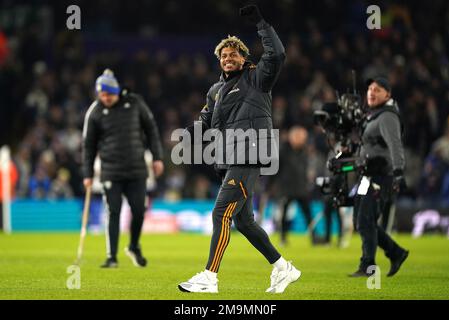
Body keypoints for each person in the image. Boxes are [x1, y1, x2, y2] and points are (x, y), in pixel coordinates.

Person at [178, 5, 301, 294]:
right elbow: (205, 121)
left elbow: (278, 55)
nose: (228, 58)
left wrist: (261, 23)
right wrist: (188, 135)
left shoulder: (257, 78)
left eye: (233, 54)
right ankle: (283, 268)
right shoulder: (215, 91)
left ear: (244, 58)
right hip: (228, 158)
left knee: (220, 214)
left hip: (249, 155)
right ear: (219, 61)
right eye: (223, 55)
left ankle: (210, 277)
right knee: (244, 222)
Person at [82, 69, 164, 268]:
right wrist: (88, 174)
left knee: (139, 211)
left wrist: (157, 157)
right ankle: (111, 257)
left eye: (108, 94)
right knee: (113, 212)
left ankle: (134, 246)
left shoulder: (135, 103)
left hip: (136, 168)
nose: (105, 98)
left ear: (116, 91)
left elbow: (151, 130)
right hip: (110, 170)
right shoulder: (95, 111)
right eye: (101, 95)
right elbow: (88, 145)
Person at [350, 76, 409, 277]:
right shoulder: (375, 115)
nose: (371, 92)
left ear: (388, 94)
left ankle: (368, 266)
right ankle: (396, 252)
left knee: (366, 220)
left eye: (377, 89)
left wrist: (399, 172)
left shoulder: (387, 116)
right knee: (362, 221)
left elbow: (395, 145)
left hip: (381, 176)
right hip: (368, 176)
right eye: (370, 89)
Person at [276, 126, 317, 245]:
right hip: (287, 188)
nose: (300, 139)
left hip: (301, 188)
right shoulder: (283, 150)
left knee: (308, 215)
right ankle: (283, 238)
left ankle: (314, 237)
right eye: (298, 137)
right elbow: (277, 169)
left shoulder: (305, 151)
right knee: (284, 215)